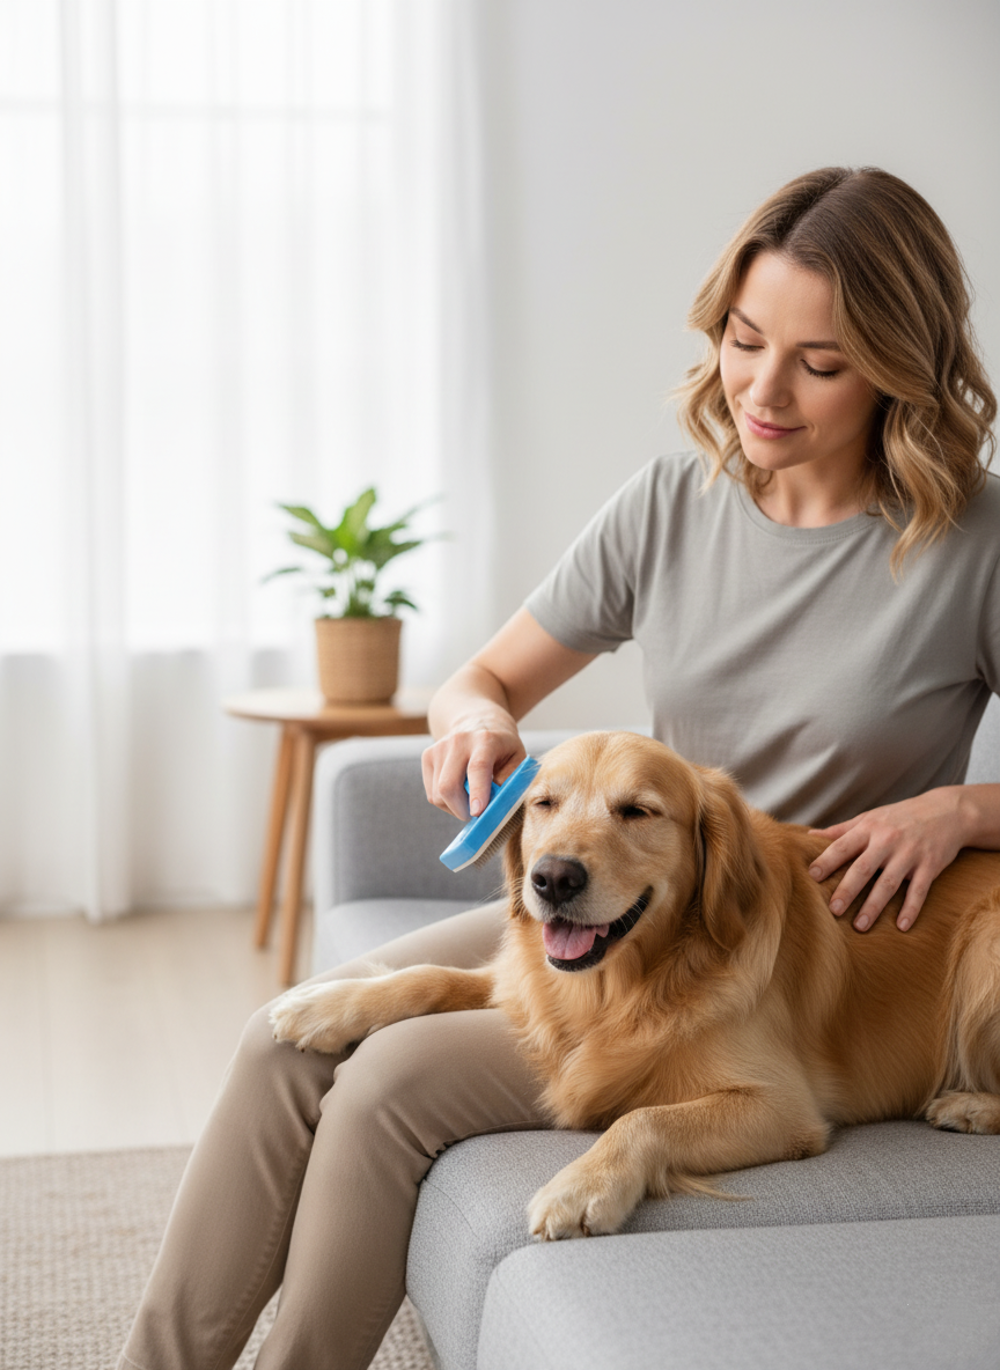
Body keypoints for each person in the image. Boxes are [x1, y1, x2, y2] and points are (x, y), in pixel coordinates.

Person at [119, 166, 999, 1370]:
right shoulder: (670, 505)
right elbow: (480, 679)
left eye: (822, 362)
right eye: (744, 340)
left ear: (899, 362)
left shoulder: (973, 546)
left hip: (778, 941)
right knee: (284, 1039)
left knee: (382, 1087)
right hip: (622, 899)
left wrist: (958, 807)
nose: (764, 389)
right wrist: (471, 720)